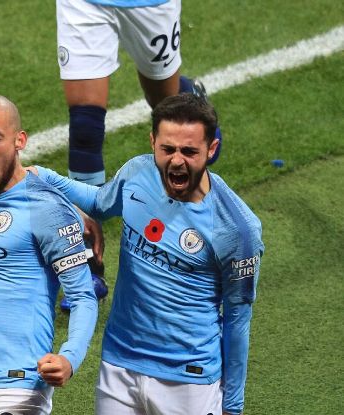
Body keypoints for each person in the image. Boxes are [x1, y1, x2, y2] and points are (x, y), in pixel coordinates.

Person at [35, 93, 262, 415]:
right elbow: (101, 202)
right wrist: (44, 176)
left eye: (189, 151)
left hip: (189, 381)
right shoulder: (138, 173)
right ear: (153, 140)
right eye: (167, 149)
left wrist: (233, 407)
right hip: (119, 364)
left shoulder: (237, 228)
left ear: (211, 150)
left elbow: (238, 318)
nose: (177, 161)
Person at [0, 94, 98, 415]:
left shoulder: (47, 208)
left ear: (19, 141)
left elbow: (82, 296)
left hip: (14, 387)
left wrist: (69, 357)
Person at [56, 0, 223, 188]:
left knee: (166, 106)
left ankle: (189, 97)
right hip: (85, 5)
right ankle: (85, 213)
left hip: (150, 5)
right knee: (84, 127)